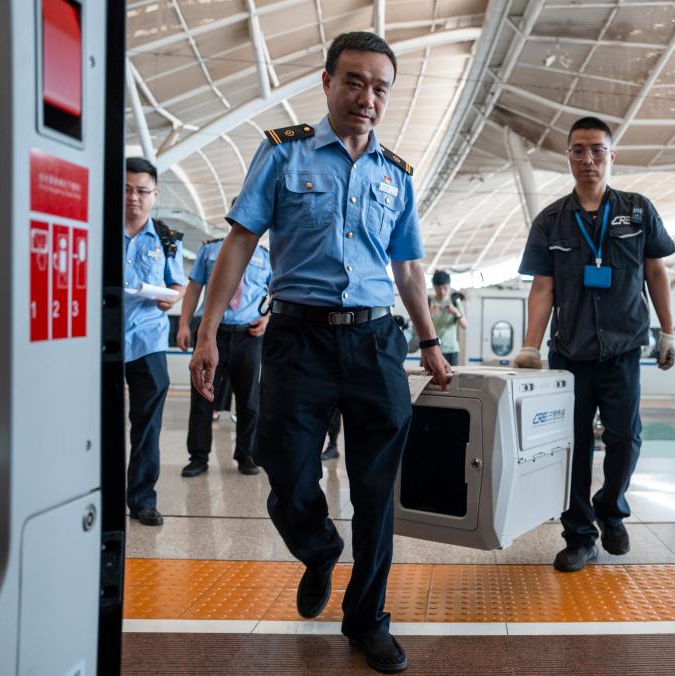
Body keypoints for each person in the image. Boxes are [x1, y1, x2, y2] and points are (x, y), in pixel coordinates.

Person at [188, 31, 451, 674]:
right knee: (283, 466)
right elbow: (241, 242)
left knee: (376, 490)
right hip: (297, 338)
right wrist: (206, 330)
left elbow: (408, 270)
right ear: (328, 81)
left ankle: (367, 619)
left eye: (380, 88)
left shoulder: (396, 175)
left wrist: (429, 342)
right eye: (355, 81)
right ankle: (318, 548)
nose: (367, 97)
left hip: (375, 341)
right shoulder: (284, 152)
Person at [514, 116, 675, 572]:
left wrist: (669, 330)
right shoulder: (551, 220)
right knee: (572, 447)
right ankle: (580, 536)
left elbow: (656, 272)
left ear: (611, 156)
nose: (588, 159)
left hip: (623, 349)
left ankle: (611, 508)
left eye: (596, 150)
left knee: (626, 438)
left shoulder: (638, 210)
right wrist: (530, 347)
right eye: (578, 150)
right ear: (568, 156)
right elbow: (543, 288)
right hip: (569, 355)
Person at [122, 156, 186, 527]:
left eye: (142, 191)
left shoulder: (167, 239)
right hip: (102, 341)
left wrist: (172, 296)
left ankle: (142, 499)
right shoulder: (96, 228)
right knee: (95, 422)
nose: (134, 197)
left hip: (148, 340)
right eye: (126, 189)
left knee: (147, 426)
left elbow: (177, 283)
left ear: (155, 194)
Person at [176, 235, 271, 477]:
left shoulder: (266, 256)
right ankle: (198, 457)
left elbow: (276, 291)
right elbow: (194, 287)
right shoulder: (210, 250)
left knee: (250, 400)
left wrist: (267, 318)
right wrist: (184, 324)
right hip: (212, 333)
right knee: (202, 396)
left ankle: (246, 455)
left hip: (249, 335)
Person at [428, 270, 467, 366]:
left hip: (451, 350)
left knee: (451, 375)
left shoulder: (455, 302)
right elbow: (417, 326)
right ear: (434, 287)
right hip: (431, 348)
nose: (442, 292)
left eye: (445, 288)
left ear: (449, 286)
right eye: (438, 289)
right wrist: (429, 315)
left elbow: (465, 325)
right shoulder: (428, 301)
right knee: (428, 375)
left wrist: (456, 313)